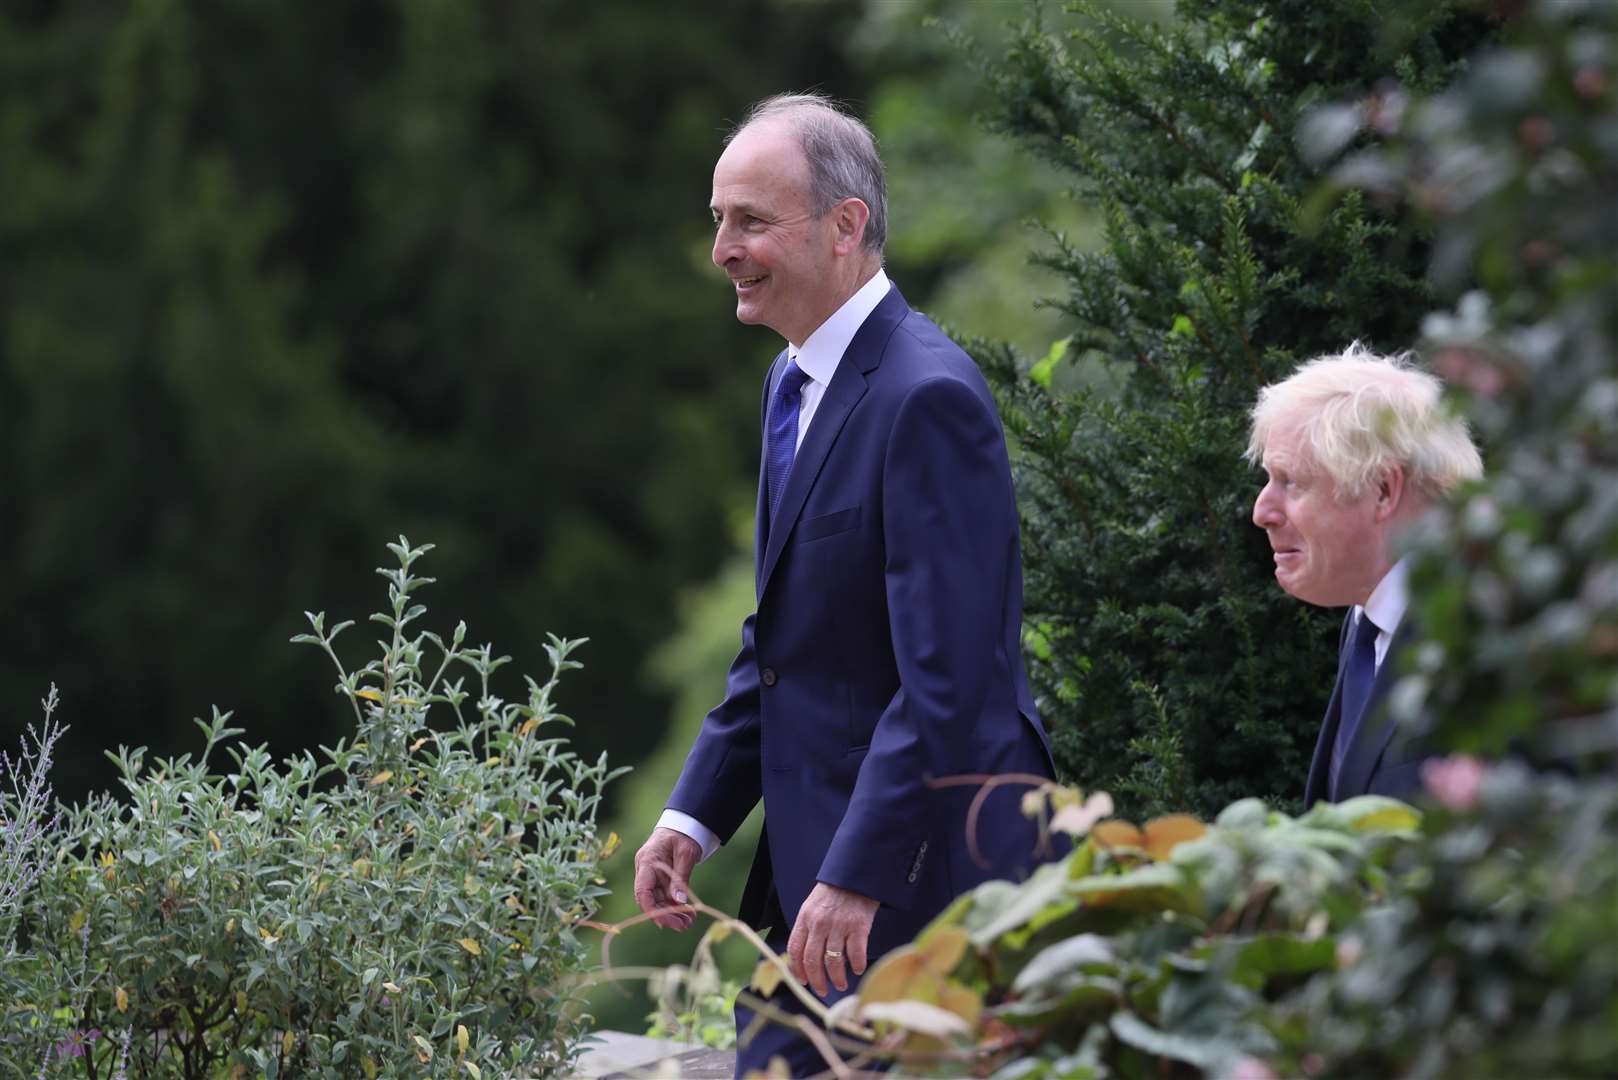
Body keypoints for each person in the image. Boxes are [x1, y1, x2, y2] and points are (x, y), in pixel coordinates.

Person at [632, 92, 1057, 1076]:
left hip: (915, 890)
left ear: (846, 226)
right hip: (809, 879)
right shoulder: (791, 383)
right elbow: (784, 644)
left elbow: (949, 679)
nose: (722, 250)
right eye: (717, 220)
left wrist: (859, 875)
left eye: (750, 221)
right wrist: (691, 815)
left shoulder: (929, 397)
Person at [1247, 344, 1483, 805]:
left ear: (1382, 490)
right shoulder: (1368, 622)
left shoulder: (1482, 638)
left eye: (1291, 481)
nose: (1262, 511)